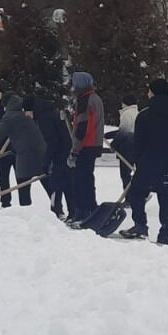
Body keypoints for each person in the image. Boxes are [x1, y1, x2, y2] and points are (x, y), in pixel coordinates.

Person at [120, 79, 168, 245]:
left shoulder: (144, 115)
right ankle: (165, 234)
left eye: (149, 90)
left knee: (136, 193)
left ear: (154, 92)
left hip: (148, 163)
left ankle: (140, 225)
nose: (147, 93)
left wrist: (138, 160)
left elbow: (138, 143)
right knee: (167, 196)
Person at [0, 95, 46, 206]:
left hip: (25, 156)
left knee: (23, 184)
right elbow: (24, 136)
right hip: (42, 154)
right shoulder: (26, 114)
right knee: (48, 183)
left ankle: (25, 211)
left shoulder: (9, 117)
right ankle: (57, 210)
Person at [26, 94, 72, 218]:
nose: (27, 116)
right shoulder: (52, 111)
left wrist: (46, 163)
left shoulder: (44, 117)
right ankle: (72, 212)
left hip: (61, 153)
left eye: (26, 111)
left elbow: (53, 142)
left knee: (56, 183)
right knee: (66, 183)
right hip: (67, 151)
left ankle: (57, 211)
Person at [67, 71, 105, 222]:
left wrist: (75, 150)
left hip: (85, 146)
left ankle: (83, 211)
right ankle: (90, 208)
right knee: (88, 178)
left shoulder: (84, 100)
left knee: (80, 180)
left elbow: (82, 127)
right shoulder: (96, 98)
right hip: (94, 144)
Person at [111, 93, 139, 189]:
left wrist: (114, 144)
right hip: (135, 147)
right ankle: (135, 195)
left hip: (127, 148)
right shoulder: (136, 113)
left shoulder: (126, 114)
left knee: (125, 175)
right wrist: (109, 135)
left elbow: (124, 130)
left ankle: (129, 198)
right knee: (132, 173)